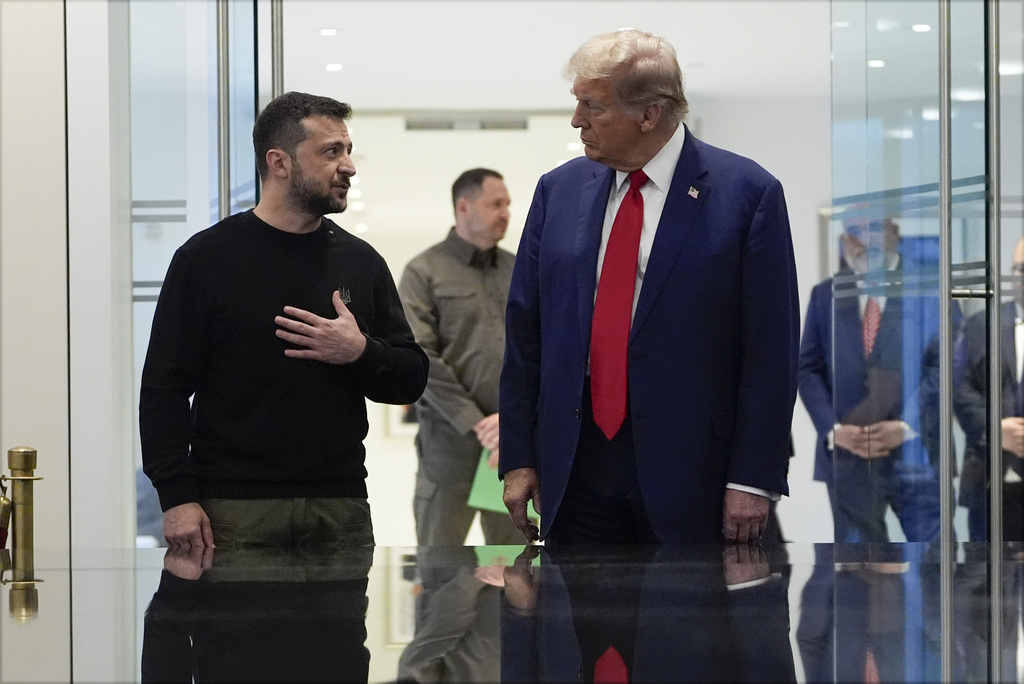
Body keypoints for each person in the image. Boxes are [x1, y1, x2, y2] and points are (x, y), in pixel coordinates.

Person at [499, 29, 800, 546]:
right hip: (574, 466)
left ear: (649, 114)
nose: (577, 120)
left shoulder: (747, 194)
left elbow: (771, 353)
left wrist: (753, 479)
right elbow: (525, 333)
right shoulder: (558, 191)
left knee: (688, 601)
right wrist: (519, 457)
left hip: (696, 474)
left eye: (593, 105)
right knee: (576, 600)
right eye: (577, 102)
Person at [139, 91, 429, 550]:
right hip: (232, 510)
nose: (349, 167)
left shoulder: (360, 261)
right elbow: (164, 389)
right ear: (279, 162)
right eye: (331, 152)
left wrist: (359, 351)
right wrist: (176, 498)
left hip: (340, 507)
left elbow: (410, 379)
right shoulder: (206, 259)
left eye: (348, 150)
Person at [798, 217, 942, 544]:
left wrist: (906, 426)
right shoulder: (826, 294)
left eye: (873, 228)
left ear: (895, 232)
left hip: (916, 455)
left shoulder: (929, 288)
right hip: (849, 459)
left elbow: (947, 366)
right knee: (858, 568)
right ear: (843, 242)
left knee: (934, 562)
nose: (863, 240)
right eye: (854, 232)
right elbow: (807, 369)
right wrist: (833, 430)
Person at [398, 169, 522, 546]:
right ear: (464, 207)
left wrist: (512, 419)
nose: (506, 213)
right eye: (496, 204)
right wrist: (477, 422)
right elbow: (420, 356)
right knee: (440, 566)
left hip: (511, 446)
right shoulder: (423, 272)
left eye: (507, 205)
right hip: (447, 446)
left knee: (515, 565)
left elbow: (538, 350)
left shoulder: (521, 270)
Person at [953, 236, 1024, 542]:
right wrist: (996, 429)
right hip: (989, 477)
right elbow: (959, 388)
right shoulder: (982, 324)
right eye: (1020, 269)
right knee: (983, 569)